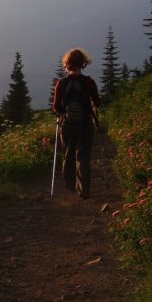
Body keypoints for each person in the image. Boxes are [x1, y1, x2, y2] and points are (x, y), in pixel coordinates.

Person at [52, 48, 100, 199]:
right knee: (83, 155)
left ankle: (70, 185)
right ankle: (83, 190)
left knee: (68, 154)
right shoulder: (89, 82)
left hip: (67, 124)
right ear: (83, 63)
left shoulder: (62, 83)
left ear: (67, 64)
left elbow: (56, 107)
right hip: (85, 122)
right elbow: (97, 102)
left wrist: (63, 112)